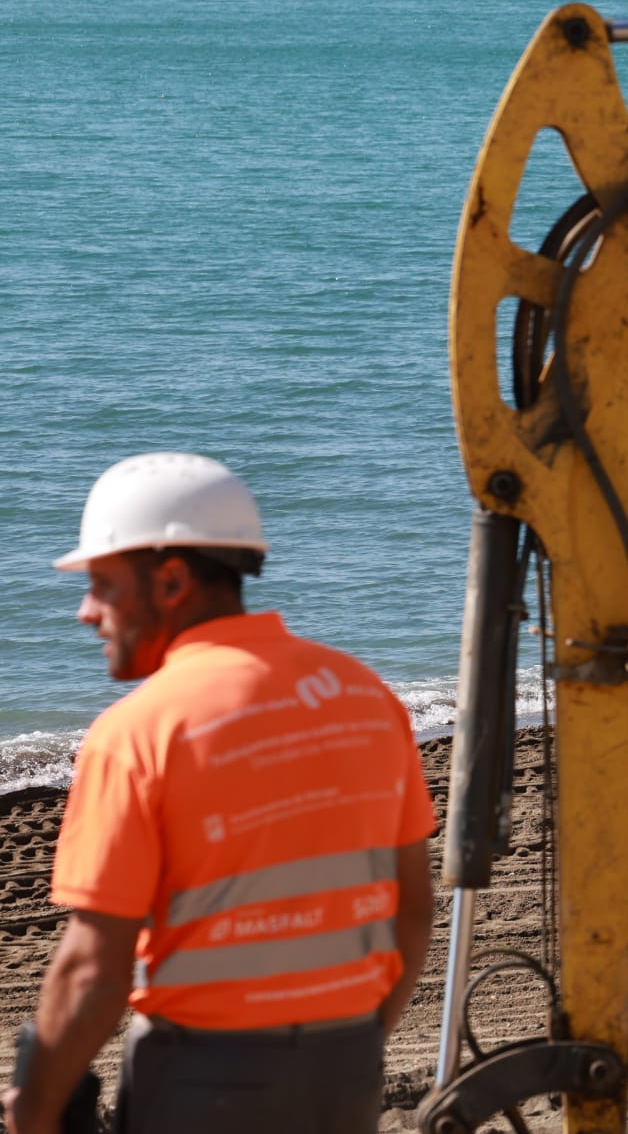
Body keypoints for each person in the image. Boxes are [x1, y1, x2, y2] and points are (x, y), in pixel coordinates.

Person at [4, 453, 436, 1134]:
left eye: (101, 585)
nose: (87, 613)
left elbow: (92, 971)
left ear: (171, 578)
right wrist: (356, 1040)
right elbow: (412, 911)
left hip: (202, 1084)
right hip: (347, 1070)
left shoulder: (138, 732)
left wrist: (32, 1115)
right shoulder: (365, 695)